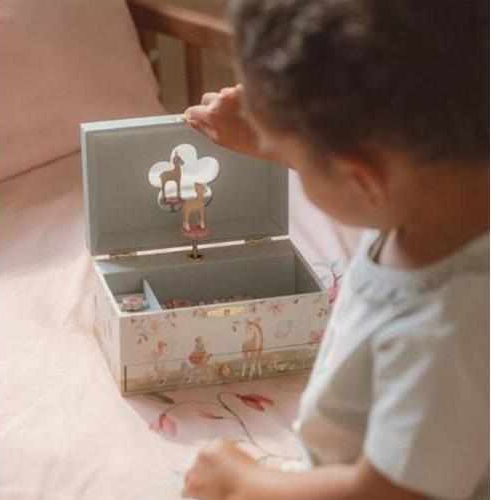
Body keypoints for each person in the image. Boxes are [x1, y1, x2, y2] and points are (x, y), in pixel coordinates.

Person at [182, 1, 490, 498]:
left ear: (362, 179)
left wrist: (242, 483)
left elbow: (386, 492)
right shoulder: (441, 187)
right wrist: (276, 135)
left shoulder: (446, 331)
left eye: (295, 162)